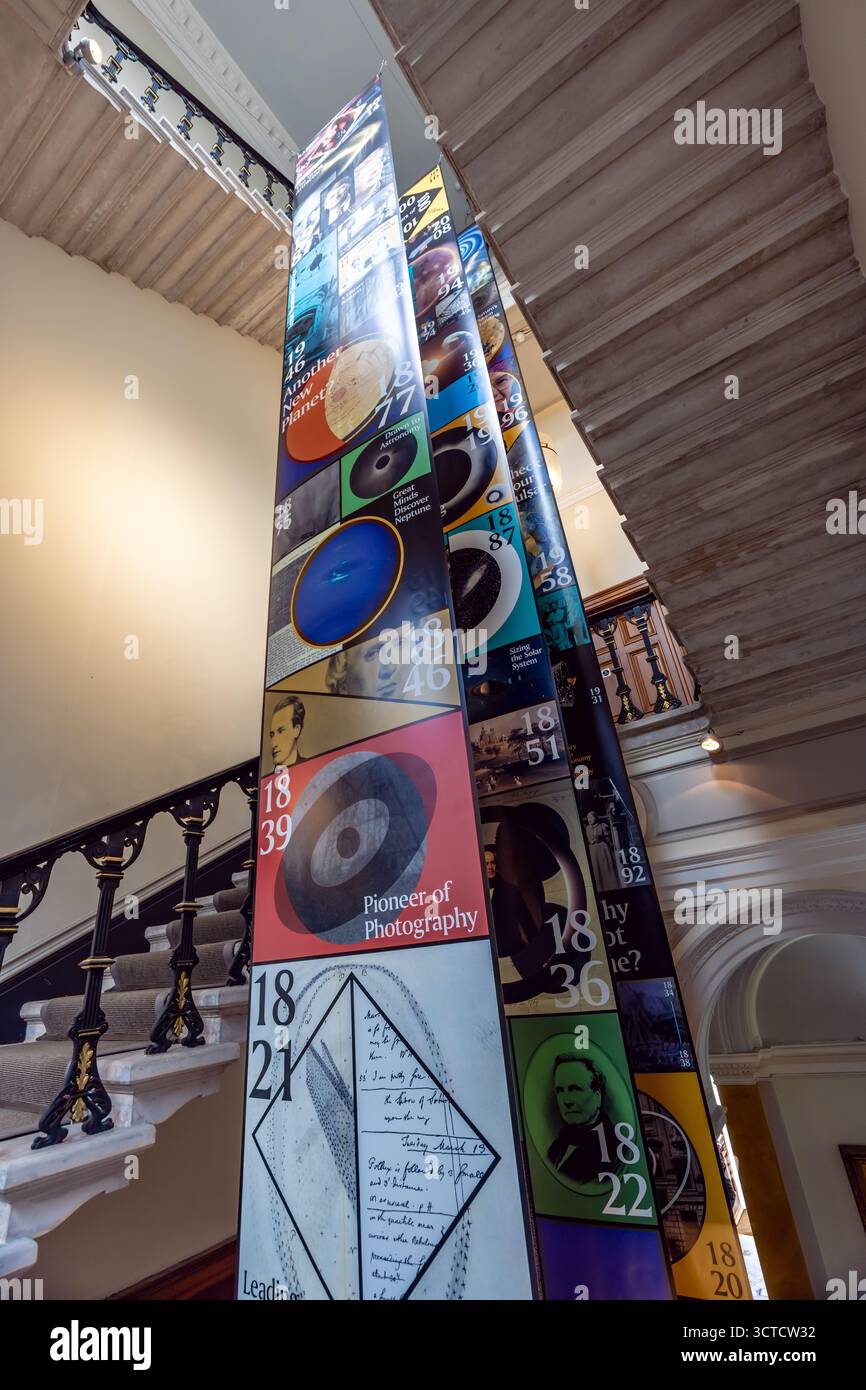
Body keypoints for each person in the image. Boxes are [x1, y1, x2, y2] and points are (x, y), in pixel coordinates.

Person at [546, 1055, 618, 1183]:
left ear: (597, 1096)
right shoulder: (558, 1145)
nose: (566, 1101)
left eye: (575, 1089)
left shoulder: (614, 1147)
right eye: (560, 1090)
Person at [269, 695, 306, 771]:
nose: (273, 744)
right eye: (272, 735)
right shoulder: (268, 781)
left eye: (281, 731)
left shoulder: (311, 770)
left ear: (296, 730)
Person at [585, 811, 619, 891]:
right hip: (592, 851)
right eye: (588, 818)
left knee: (605, 869)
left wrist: (612, 847)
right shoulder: (586, 828)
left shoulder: (602, 826)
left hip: (602, 849)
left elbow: (608, 839)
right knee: (596, 870)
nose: (589, 819)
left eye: (591, 817)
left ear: (596, 817)